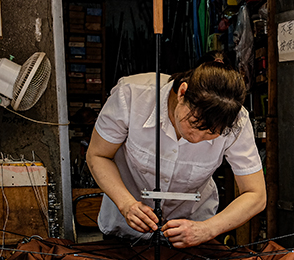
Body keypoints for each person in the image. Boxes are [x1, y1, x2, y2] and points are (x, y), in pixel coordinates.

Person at [86, 62, 266, 247]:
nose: (196, 138)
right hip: (125, 232)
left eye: (211, 134)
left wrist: (207, 229)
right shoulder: (132, 95)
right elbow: (98, 155)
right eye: (195, 124)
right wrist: (126, 204)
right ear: (182, 92)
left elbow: (256, 194)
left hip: (194, 236)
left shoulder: (236, 120)